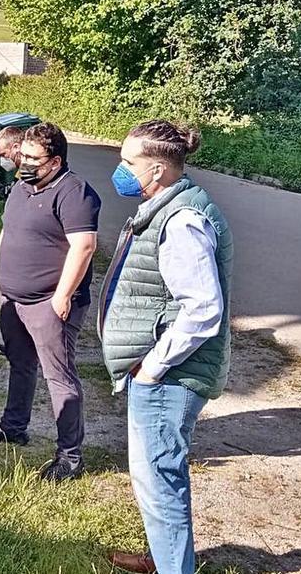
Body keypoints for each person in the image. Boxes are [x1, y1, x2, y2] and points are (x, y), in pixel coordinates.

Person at [96, 120, 233, 574]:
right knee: (155, 475)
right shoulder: (167, 206)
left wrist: (152, 367)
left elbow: (203, 309)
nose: (120, 169)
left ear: (155, 169)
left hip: (171, 375)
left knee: (160, 478)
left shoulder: (183, 220)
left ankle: (174, 567)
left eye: (128, 162)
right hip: (164, 370)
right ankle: (164, 557)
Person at [0, 122, 101, 482]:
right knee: (20, 362)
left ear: (55, 161)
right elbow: (7, 231)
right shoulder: (21, 187)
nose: (22, 162)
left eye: (32, 158)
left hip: (49, 302)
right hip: (12, 297)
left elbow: (84, 246)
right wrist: (0, 277)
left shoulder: (75, 193)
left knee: (58, 376)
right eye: (22, 155)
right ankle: (13, 427)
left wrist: (61, 296)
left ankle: (69, 456)